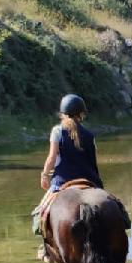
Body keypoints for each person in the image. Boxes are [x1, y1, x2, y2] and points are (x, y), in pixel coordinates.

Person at [32, 94, 102, 240]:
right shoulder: (90, 135)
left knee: (40, 215)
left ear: (62, 113)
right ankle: (123, 219)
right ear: (81, 114)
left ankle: (45, 248)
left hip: (62, 182)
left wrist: (45, 175)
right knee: (115, 206)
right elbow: (94, 161)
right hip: (91, 181)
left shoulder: (57, 131)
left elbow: (52, 157)